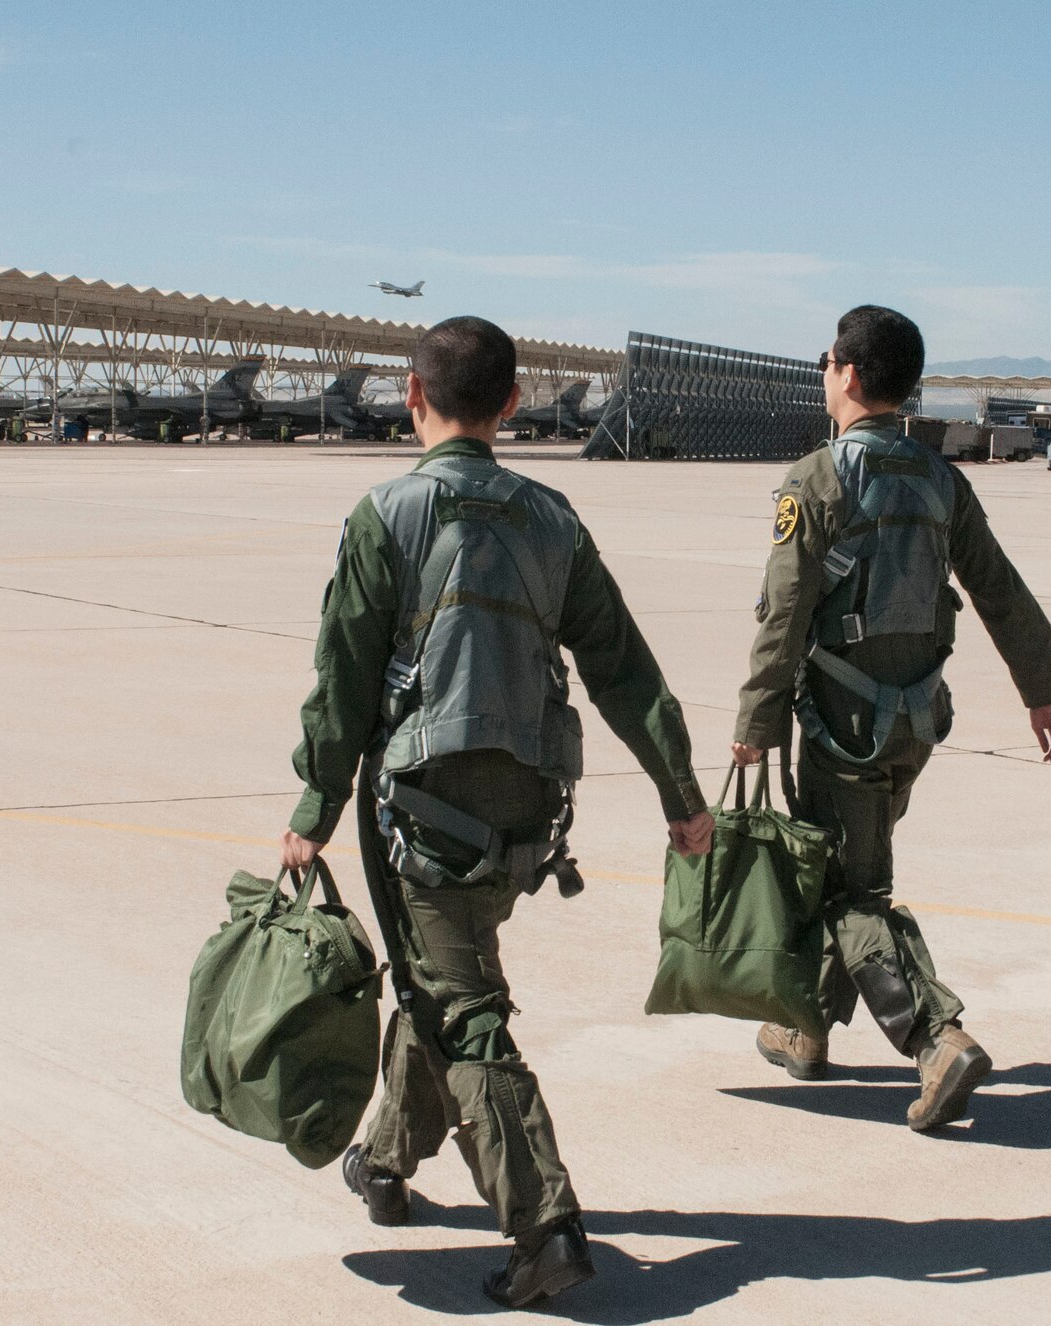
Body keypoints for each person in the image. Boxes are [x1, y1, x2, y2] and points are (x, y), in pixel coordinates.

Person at [281, 316, 713, 1308]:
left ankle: (544, 1223)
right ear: (511, 405)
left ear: (410, 393)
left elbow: (340, 686)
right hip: (529, 808)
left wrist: (312, 806)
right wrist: (678, 795)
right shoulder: (553, 519)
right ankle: (385, 1164)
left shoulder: (382, 516)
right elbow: (623, 671)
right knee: (445, 969)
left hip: (425, 804)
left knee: (461, 1005)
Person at [731, 305, 1051, 1132]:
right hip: (916, 722)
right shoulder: (938, 478)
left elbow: (784, 612)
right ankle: (804, 1030)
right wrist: (1043, 689)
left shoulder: (816, 479)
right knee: (844, 870)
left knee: (855, 893)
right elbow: (997, 586)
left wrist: (758, 717)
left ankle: (934, 1038)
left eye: (826, 362)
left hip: (841, 726)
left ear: (847, 374)